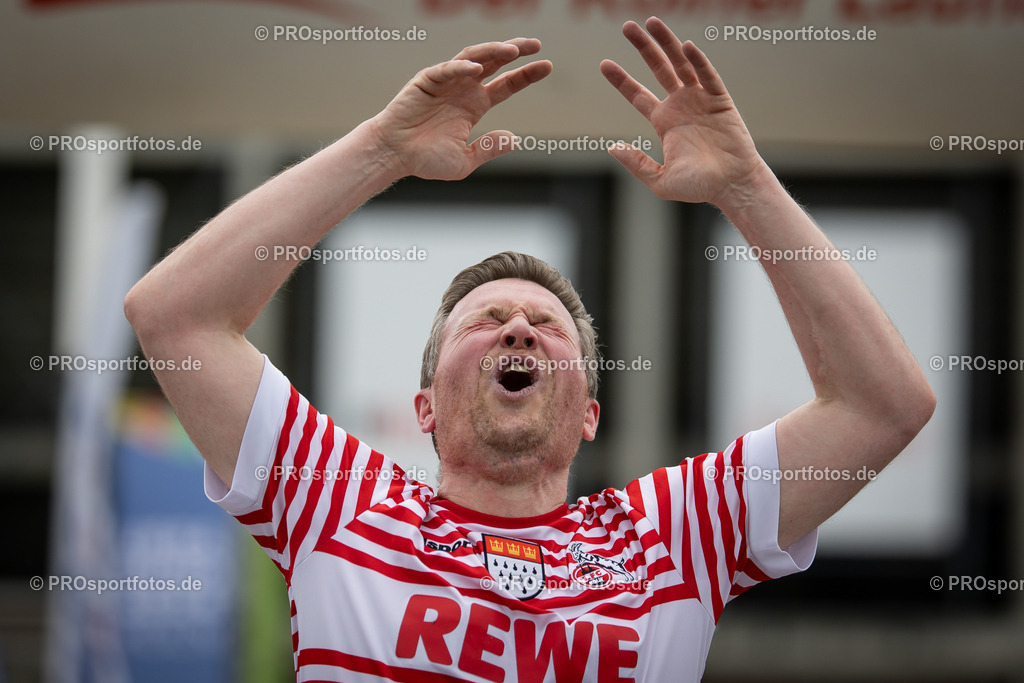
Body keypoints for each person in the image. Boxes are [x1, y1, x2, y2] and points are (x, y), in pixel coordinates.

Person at [124, 16, 935, 682]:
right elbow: (174, 315)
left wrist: (746, 185)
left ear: (589, 412)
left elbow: (884, 405)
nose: (517, 329)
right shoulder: (342, 504)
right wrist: (382, 150)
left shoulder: (665, 537)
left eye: (546, 327)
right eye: (485, 322)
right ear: (425, 408)